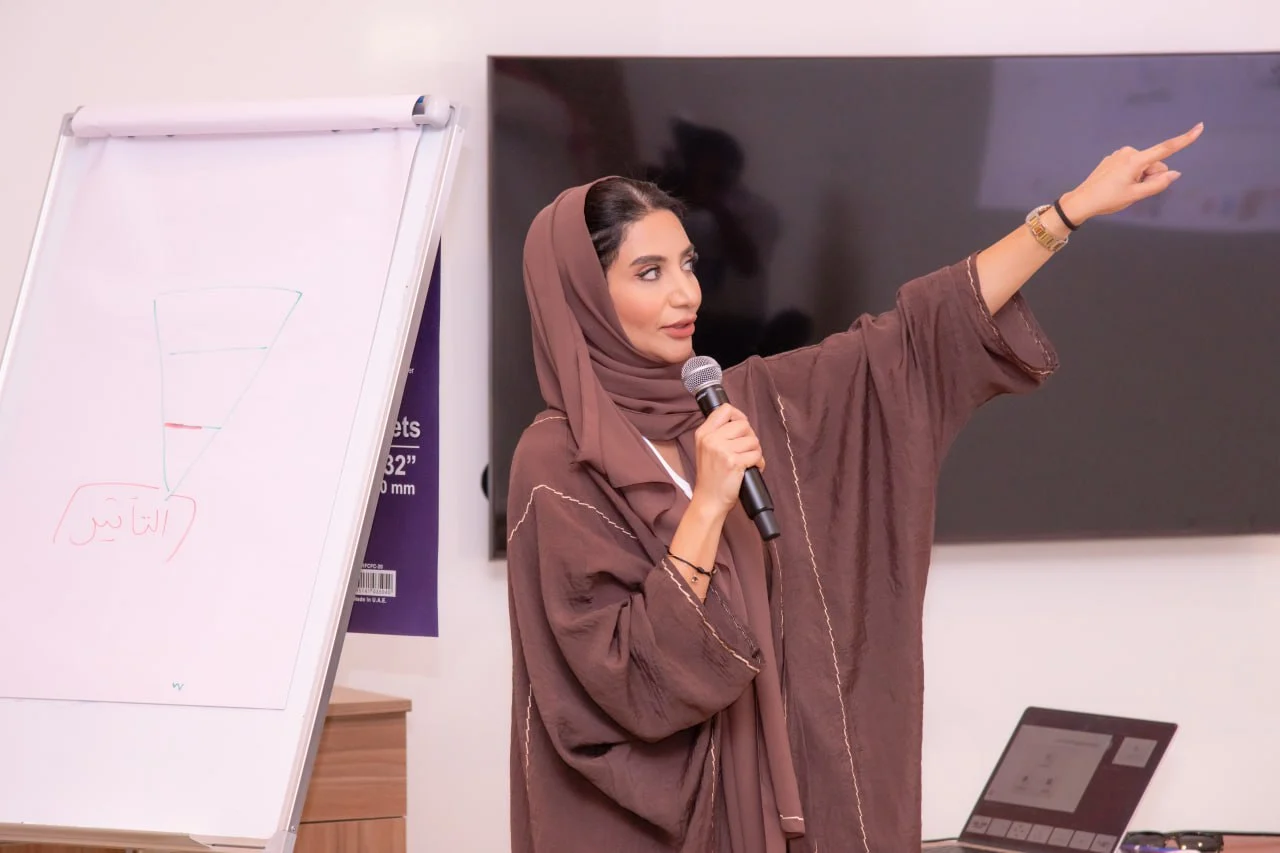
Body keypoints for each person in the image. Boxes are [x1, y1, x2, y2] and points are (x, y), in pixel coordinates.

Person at [505, 123, 1204, 853]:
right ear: (583, 296)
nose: (686, 293)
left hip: (774, 812)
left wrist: (1068, 212)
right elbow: (626, 680)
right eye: (648, 273)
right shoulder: (557, 461)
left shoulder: (739, 403)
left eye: (687, 263)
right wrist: (708, 506)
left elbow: (911, 344)